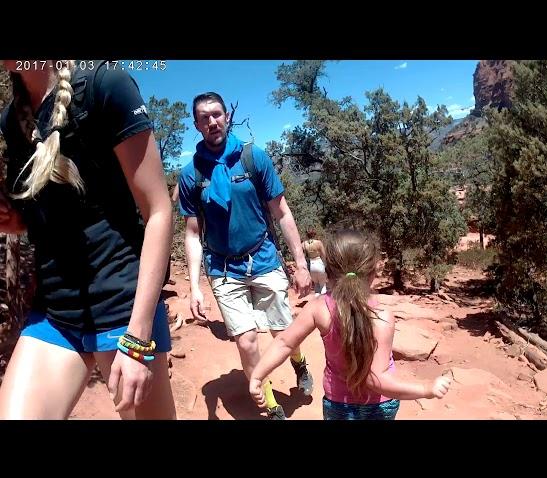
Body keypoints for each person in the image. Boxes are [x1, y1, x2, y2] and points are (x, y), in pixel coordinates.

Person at [0, 60, 176, 419]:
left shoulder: (104, 87)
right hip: (56, 312)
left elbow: (158, 211)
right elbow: (37, 222)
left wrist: (138, 340)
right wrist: (10, 220)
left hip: (125, 310)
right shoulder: (12, 121)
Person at [178, 91, 313, 419]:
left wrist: (301, 263)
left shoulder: (254, 158)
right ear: (196, 125)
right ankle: (268, 403)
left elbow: (282, 213)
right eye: (204, 117)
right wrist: (195, 286)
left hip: (263, 257)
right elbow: (193, 233)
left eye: (217, 114)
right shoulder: (191, 175)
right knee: (247, 341)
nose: (212, 121)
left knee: (283, 332)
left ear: (226, 116)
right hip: (224, 269)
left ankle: (300, 363)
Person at [249, 229, 451, 420]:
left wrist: (258, 375)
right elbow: (376, 380)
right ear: (373, 273)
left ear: (328, 272)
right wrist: (425, 389)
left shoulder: (319, 308)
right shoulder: (380, 317)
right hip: (379, 406)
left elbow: (284, 342)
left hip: (338, 404)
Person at [302, 228, 327, 296]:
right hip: (319, 263)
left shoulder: (304, 244)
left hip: (311, 265)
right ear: (314, 234)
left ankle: (316, 303)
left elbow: (302, 256)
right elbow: (323, 254)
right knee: (323, 285)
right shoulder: (318, 243)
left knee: (316, 285)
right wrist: (325, 264)